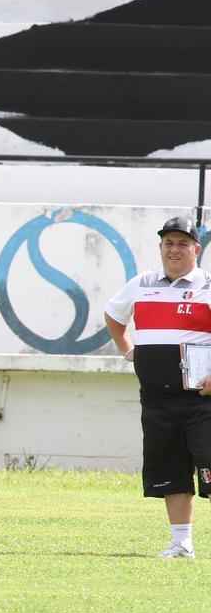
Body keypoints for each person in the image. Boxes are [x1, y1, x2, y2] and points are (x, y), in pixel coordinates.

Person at [104, 215, 211, 560]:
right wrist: (127, 351)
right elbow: (114, 317)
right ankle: (182, 544)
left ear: (196, 248)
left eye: (182, 243)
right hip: (157, 399)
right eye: (168, 243)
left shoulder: (208, 285)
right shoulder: (141, 283)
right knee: (170, 469)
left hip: (202, 398)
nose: (174, 249)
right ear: (160, 247)